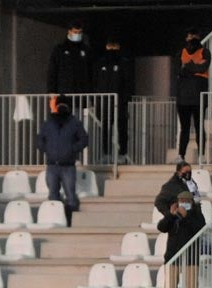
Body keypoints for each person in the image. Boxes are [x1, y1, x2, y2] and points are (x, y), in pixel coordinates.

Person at [36, 94, 89, 227]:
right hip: (52, 166)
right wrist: (47, 149)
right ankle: (57, 220)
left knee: (71, 196)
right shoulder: (48, 124)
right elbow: (39, 140)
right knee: (53, 196)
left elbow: (84, 140)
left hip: (68, 166)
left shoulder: (75, 123)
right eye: (60, 105)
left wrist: (72, 149)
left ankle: (70, 222)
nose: (61, 108)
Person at [157, 190, 205, 288]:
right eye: (181, 201)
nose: (183, 203)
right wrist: (170, 215)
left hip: (190, 258)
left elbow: (199, 229)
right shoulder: (173, 216)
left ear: (191, 202)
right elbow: (161, 227)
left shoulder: (197, 214)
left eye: (186, 201)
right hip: (173, 257)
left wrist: (186, 217)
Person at [93, 36, 133, 163]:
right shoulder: (100, 63)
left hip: (120, 103)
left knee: (122, 129)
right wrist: (97, 101)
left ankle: (123, 154)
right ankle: (105, 153)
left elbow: (128, 83)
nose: (112, 49)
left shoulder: (124, 62)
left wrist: (126, 99)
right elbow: (95, 82)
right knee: (105, 129)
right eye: (110, 46)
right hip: (105, 103)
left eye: (114, 46)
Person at [175, 28, 210, 163]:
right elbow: (178, 71)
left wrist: (187, 66)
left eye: (194, 36)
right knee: (184, 128)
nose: (192, 39)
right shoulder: (180, 52)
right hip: (183, 97)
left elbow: (202, 68)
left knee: (199, 126)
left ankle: (201, 155)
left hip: (199, 96)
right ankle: (181, 155)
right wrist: (194, 66)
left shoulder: (205, 52)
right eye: (190, 36)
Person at [47, 20, 92, 96]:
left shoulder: (86, 50)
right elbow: (52, 70)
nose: (77, 35)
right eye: (75, 32)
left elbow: (91, 72)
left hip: (82, 93)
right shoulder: (60, 49)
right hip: (63, 92)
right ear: (69, 31)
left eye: (79, 32)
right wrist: (51, 90)